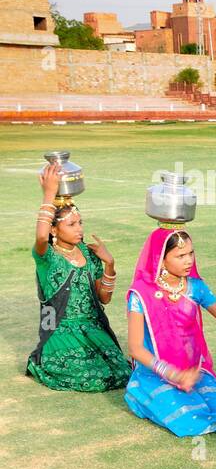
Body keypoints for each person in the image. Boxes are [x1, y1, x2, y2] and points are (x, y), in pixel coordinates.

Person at [124, 227, 216, 436]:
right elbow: (135, 348)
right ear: (161, 259)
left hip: (192, 370)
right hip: (155, 373)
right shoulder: (141, 294)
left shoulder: (196, 287)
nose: (188, 260)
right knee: (190, 419)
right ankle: (140, 393)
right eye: (180, 255)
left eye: (191, 253)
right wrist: (173, 374)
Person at [27, 163, 131, 392]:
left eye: (80, 223)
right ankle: (42, 360)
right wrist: (48, 194)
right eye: (72, 224)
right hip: (61, 330)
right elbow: (41, 237)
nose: (79, 229)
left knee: (120, 372)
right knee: (89, 376)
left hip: (92, 327)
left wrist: (110, 265)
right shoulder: (48, 258)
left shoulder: (87, 253)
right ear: (54, 230)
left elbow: (103, 299)